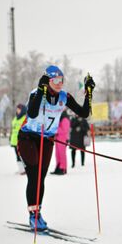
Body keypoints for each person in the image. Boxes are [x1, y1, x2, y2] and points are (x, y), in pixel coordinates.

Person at [17, 65, 94, 230]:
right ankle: (33, 215)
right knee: (34, 176)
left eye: (62, 80)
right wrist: (40, 88)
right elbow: (31, 113)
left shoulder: (64, 96)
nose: (60, 83)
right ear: (48, 81)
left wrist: (89, 93)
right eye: (56, 80)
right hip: (28, 137)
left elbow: (84, 112)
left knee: (41, 178)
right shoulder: (36, 94)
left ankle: (38, 213)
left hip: (46, 139)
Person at [51, 110, 71, 175]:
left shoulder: (65, 118)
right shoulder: (60, 118)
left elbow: (64, 130)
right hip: (58, 138)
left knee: (62, 154)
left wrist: (55, 128)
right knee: (57, 154)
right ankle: (58, 167)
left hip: (63, 139)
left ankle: (63, 168)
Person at [10, 104, 27, 174]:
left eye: (19, 109)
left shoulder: (25, 118)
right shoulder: (15, 118)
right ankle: (21, 169)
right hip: (14, 140)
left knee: (22, 155)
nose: (17, 110)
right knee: (17, 155)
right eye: (17, 109)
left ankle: (25, 169)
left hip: (21, 140)